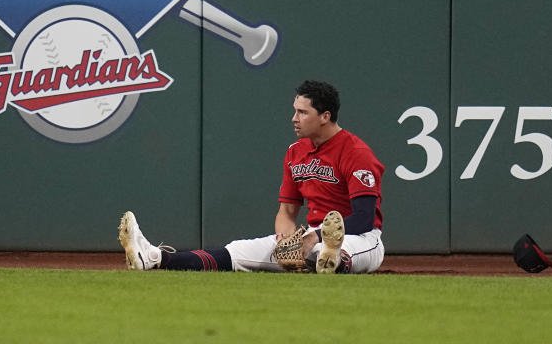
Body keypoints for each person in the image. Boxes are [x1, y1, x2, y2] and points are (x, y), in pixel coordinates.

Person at [118, 80, 385, 274]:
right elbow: (287, 211)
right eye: (295, 110)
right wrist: (285, 239)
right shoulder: (295, 152)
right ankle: (155, 258)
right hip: (308, 239)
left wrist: (315, 238)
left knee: (335, 250)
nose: (294, 118)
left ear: (325, 116)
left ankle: (330, 260)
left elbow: (363, 218)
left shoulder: (356, 152)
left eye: (303, 112)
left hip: (361, 240)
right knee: (237, 251)